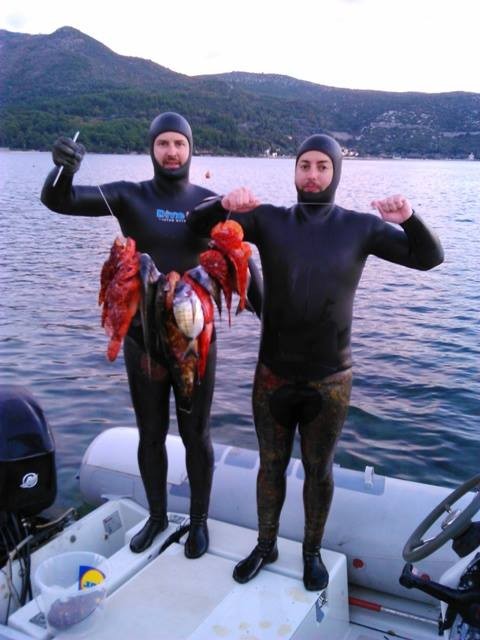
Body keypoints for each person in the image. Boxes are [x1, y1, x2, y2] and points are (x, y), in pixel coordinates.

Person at [186, 133, 444, 590]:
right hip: (273, 375)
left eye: (323, 166)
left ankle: (311, 551)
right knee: (270, 465)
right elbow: (196, 226)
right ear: (294, 170)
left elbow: (430, 258)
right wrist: (222, 203)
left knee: (319, 470)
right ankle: (266, 545)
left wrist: (409, 218)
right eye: (305, 165)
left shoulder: (360, 228)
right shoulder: (268, 219)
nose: (312, 174)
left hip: (331, 379)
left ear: (336, 172)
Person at [40, 112, 262, 558]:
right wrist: (62, 168)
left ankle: (198, 522)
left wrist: (266, 309)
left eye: (179, 143)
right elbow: (59, 200)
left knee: (197, 435)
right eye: (163, 143)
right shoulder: (130, 196)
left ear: (191, 149)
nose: (172, 152)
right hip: (143, 341)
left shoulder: (209, 204)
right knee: (150, 434)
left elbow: (245, 258)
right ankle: (157, 518)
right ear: (152, 149)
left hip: (194, 343)